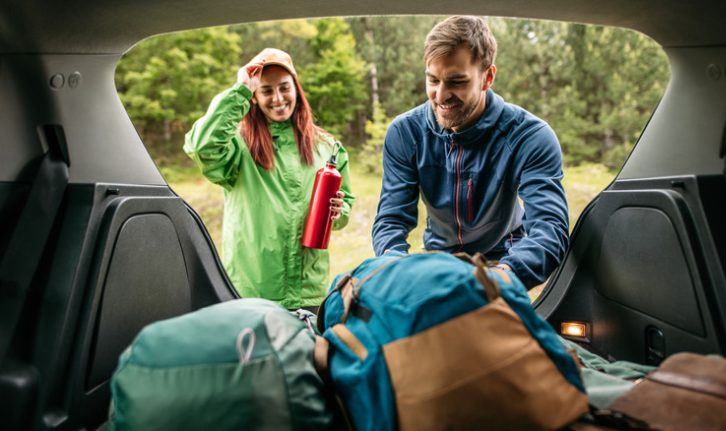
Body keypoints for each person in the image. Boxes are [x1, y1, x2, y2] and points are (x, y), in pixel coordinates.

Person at [372, 16, 568, 288]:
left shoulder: (530, 136)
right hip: (438, 259)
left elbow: (550, 229)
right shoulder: (405, 133)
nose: (440, 96)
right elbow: (391, 219)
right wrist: (396, 266)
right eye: (433, 80)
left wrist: (501, 277)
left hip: (505, 259)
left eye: (456, 82)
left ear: (487, 77)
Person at [185, 48, 355, 310]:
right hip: (252, 290)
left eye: (284, 87)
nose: (278, 98)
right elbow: (202, 146)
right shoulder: (238, 146)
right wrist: (240, 90)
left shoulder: (327, 147)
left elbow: (345, 206)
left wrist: (338, 211)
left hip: (309, 291)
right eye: (266, 90)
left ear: (296, 89)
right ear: (254, 97)